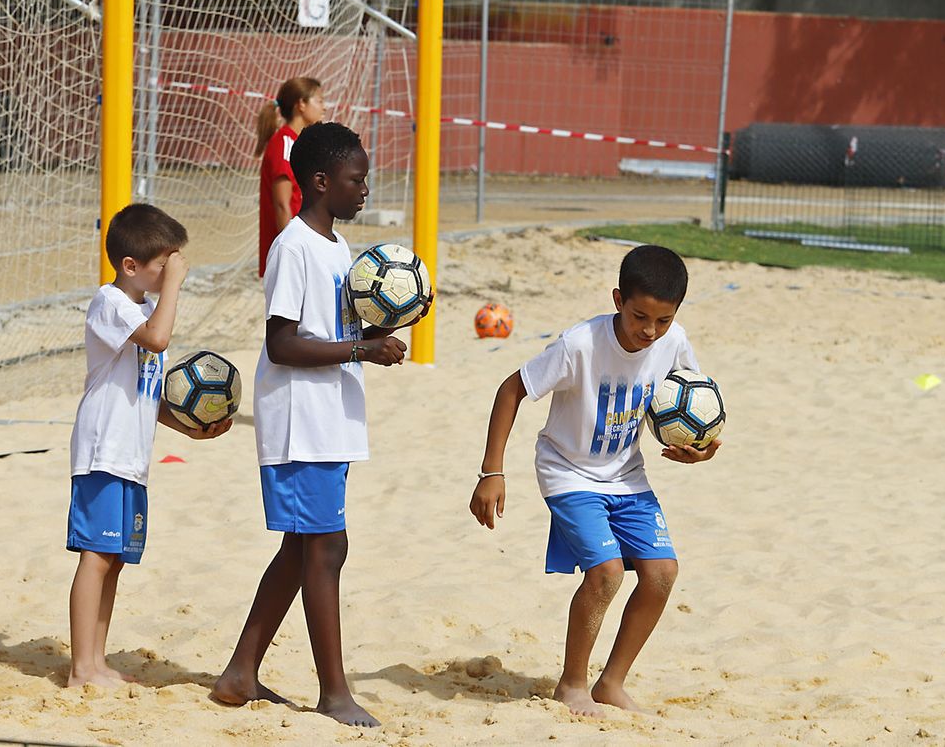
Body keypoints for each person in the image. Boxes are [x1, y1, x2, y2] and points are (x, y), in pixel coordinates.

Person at [467, 244, 721, 716]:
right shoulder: (578, 345)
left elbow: (688, 404)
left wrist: (699, 450)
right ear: (617, 299)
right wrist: (492, 472)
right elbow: (511, 389)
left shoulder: (674, 341)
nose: (650, 331)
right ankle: (571, 684)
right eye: (639, 316)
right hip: (567, 471)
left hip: (628, 475)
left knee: (662, 574)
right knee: (605, 574)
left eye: (662, 321)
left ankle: (612, 683)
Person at [213, 122, 407, 727]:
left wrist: (378, 333)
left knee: (306, 550)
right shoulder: (293, 246)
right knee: (324, 549)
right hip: (301, 423)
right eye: (357, 179)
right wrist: (360, 352)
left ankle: (240, 673)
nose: (365, 189)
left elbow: (332, 329)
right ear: (321, 182)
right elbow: (283, 345)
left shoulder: (337, 250)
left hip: (333, 419)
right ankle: (334, 694)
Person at [67, 203, 231, 689]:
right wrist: (175, 284)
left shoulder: (139, 310)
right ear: (131, 266)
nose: (172, 271)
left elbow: (147, 392)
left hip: (131, 457)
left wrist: (187, 428)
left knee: (114, 561)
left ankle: (95, 662)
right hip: (102, 452)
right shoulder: (110, 303)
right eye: (165, 263)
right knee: (95, 557)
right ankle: (81, 669)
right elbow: (158, 341)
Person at [254, 78, 325, 277]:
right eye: (319, 101)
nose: (324, 107)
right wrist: (292, 255)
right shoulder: (284, 143)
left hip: (302, 247)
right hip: (289, 255)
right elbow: (282, 205)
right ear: (301, 104)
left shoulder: (300, 143)